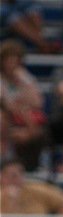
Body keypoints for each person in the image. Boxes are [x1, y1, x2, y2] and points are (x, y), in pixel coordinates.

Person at [0, 39, 47, 171]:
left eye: (15, 60)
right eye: (9, 60)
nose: (12, 64)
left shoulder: (25, 78)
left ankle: (33, 167)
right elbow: (7, 105)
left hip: (25, 122)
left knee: (39, 131)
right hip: (8, 120)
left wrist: (23, 81)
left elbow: (38, 102)